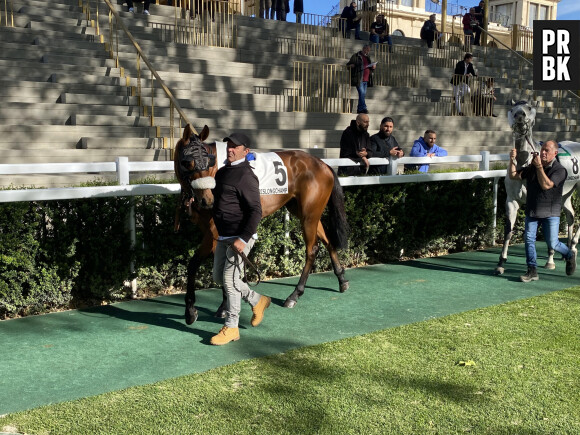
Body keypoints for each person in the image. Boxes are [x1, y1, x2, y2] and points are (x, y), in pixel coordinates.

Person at [209, 132, 271, 345]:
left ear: (246, 151)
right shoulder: (222, 172)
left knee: (230, 280)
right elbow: (218, 203)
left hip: (240, 237)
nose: (230, 149)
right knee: (219, 278)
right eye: (229, 145)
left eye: (235, 146)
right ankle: (257, 300)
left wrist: (243, 238)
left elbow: (256, 210)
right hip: (224, 235)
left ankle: (232, 327)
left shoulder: (246, 175)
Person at [508, 140, 577, 282]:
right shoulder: (532, 167)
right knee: (528, 240)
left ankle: (569, 255)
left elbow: (546, 185)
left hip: (550, 213)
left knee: (553, 243)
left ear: (555, 153)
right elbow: (513, 175)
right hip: (532, 211)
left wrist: (539, 167)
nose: (543, 153)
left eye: (547, 151)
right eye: (542, 150)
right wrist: (512, 160)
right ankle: (532, 270)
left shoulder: (559, 170)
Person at [347, 44, 376, 115]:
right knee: (362, 93)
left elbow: (369, 68)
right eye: (367, 50)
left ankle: (359, 109)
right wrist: (351, 65)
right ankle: (364, 108)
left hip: (366, 79)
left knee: (362, 94)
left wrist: (373, 67)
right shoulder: (356, 56)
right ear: (364, 49)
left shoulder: (367, 57)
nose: (368, 52)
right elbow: (348, 65)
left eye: (369, 51)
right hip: (359, 78)